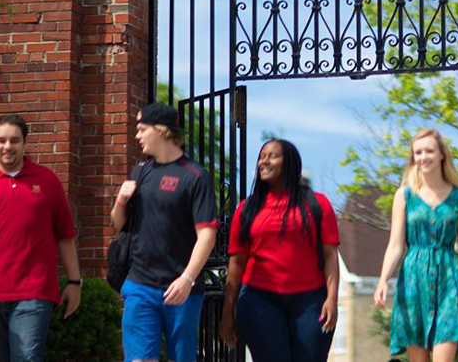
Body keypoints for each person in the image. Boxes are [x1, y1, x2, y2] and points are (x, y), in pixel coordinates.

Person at [0, 114, 81, 362]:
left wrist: (75, 282)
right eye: (1, 140)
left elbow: (65, 235)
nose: (7, 146)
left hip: (33, 293)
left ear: (24, 143)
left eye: (14, 140)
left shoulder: (47, 181)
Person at [111, 102, 218, 362]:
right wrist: (120, 201)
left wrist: (187, 279)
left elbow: (207, 234)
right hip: (140, 285)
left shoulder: (195, 176)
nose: (137, 136)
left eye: (141, 129)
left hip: (181, 289)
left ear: (161, 130)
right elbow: (118, 225)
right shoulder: (139, 172)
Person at [219, 139, 340, 362]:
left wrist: (332, 298)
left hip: (310, 300)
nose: (263, 161)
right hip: (259, 298)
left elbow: (331, 255)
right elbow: (236, 263)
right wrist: (228, 314)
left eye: (272, 156)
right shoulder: (246, 209)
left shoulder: (317, 204)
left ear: (290, 162)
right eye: (261, 157)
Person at [374, 129, 458, 362]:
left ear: (442, 154)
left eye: (429, 151)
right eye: (418, 152)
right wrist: (383, 280)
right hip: (413, 282)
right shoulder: (404, 195)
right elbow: (395, 245)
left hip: (449, 281)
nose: (423, 157)